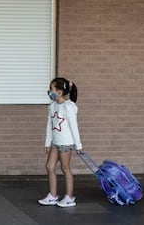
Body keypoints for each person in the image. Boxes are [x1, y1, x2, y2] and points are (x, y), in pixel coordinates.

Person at [38, 77, 83, 208]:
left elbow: (74, 127)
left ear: (59, 92)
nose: (49, 92)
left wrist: (78, 145)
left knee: (65, 168)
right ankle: (53, 196)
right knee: (49, 167)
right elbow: (49, 126)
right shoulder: (52, 106)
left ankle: (69, 197)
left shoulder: (69, 107)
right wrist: (47, 143)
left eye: (51, 89)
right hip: (55, 143)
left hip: (65, 144)